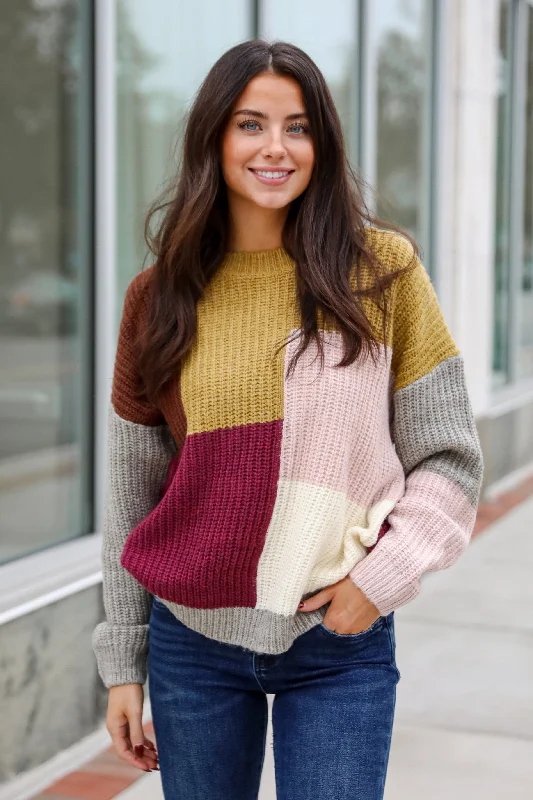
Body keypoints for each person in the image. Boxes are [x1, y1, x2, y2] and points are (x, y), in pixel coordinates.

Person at [92, 39, 484, 800]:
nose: (276, 147)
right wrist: (121, 665)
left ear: (322, 144)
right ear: (213, 137)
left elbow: (450, 459)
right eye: (251, 124)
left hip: (339, 641)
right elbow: (130, 496)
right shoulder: (159, 296)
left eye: (298, 127)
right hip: (192, 641)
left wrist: (379, 580)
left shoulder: (381, 272)